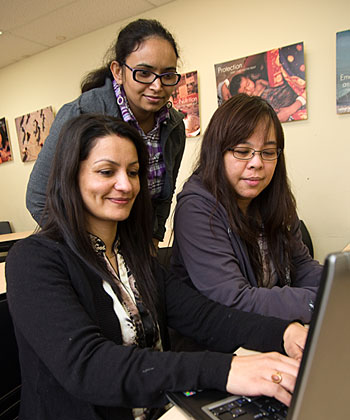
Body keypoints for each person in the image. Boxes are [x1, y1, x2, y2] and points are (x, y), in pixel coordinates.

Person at [6, 114, 307, 420]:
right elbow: (88, 366)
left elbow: (206, 318)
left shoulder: (135, 258)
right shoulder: (33, 259)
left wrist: (284, 333)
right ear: (71, 176)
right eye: (107, 171)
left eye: (134, 172)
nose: (125, 185)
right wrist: (226, 369)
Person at [26, 18, 186, 248]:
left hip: (135, 251)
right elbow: (39, 197)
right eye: (143, 73)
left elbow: (162, 199)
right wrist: (90, 251)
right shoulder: (81, 114)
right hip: (85, 248)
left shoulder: (174, 126)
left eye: (168, 75)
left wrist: (151, 243)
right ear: (118, 71)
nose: (157, 86)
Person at [171, 94, 322, 324]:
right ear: (217, 153)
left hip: (268, 330)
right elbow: (234, 298)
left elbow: (300, 265)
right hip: (219, 344)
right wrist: (315, 301)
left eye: (268, 152)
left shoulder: (272, 198)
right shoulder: (196, 209)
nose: (257, 163)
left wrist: (336, 288)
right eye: (242, 151)